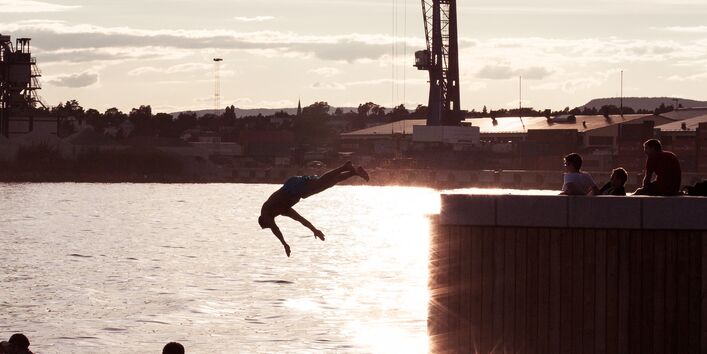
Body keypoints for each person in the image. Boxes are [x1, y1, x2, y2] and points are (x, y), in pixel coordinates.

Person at [259, 161, 370, 257]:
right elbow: (302, 220)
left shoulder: (266, 212)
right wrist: (314, 230)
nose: (271, 223)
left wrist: (284, 243)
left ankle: (345, 167)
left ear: (265, 220)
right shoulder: (284, 210)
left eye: (269, 223)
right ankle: (354, 172)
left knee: (321, 183)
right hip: (298, 190)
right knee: (327, 184)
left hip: (294, 186)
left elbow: (275, 229)